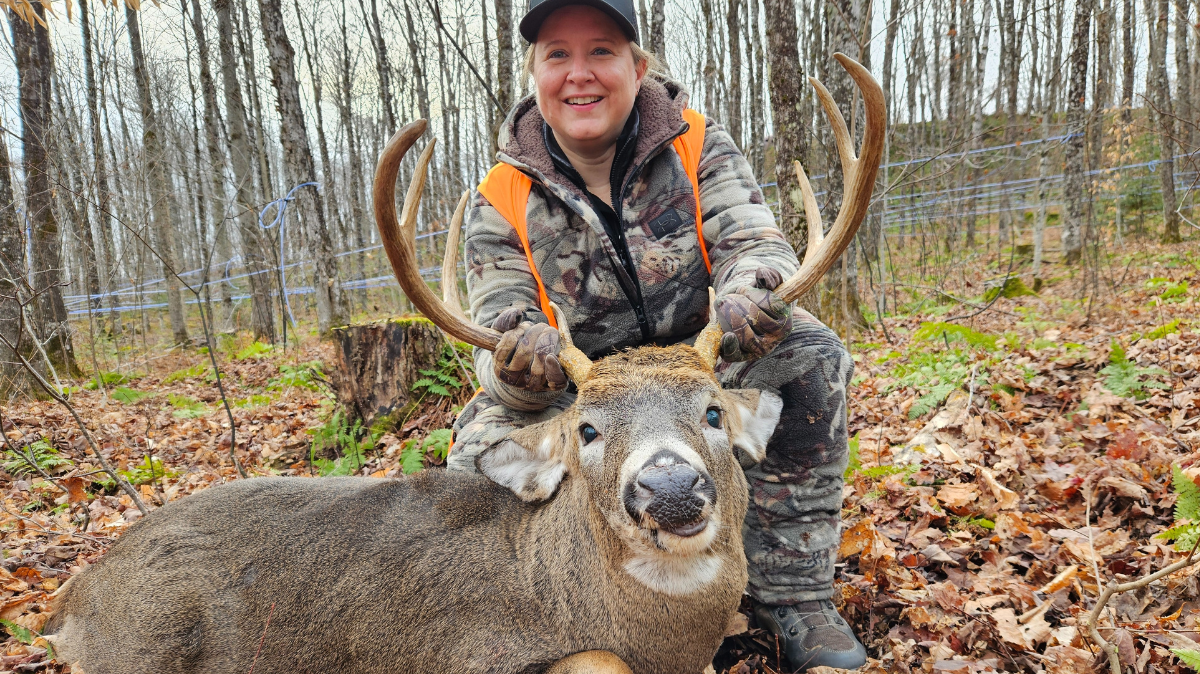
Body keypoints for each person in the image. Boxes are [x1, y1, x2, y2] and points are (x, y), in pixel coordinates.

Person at [448, 0, 867, 669]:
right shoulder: (497, 197)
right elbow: (498, 324)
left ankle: (791, 592)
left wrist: (748, 295)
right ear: (534, 74)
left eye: (602, 52)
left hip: (697, 371)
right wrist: (520, 363)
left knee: (808, 353)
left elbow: (756, 244)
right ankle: (558, 601)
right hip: (585, 391)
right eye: (557, 54)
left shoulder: (697, 143)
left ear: (638, 66)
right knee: (475, 460)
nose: (579, 74)